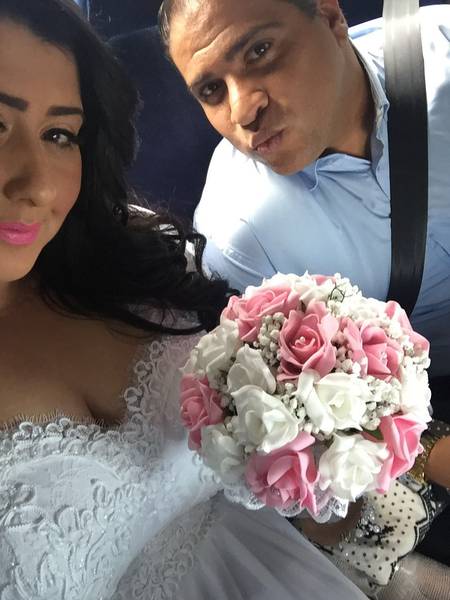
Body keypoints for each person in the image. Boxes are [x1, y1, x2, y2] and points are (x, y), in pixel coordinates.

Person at [0, 1, 373, 599]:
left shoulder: (127, 249)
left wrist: (331, 458)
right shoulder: (239, 224)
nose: (39, 184)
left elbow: (308, 506)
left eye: (59, 134)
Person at [159, 0, 450, 570]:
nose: (243, 109)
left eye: (260, 51)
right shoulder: (242, 239)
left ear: (330, 15)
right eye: (212, 91)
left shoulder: (441, 48)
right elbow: (321, 425)